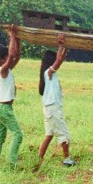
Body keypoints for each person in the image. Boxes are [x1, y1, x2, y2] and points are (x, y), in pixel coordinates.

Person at [0, 27, 23, 167]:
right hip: (4, 108)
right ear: (2, 59)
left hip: (0, 107)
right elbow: (12, 53)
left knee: (0, 137)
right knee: (17, 134)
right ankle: (11, 164)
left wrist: (17, 40)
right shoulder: (3, 69)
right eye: (7, 57)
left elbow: (16, 55)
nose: (10, 57)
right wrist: (13, 35)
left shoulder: (5, 69)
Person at [37, 35, 75, 166]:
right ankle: (67, 159)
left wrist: (65, 47)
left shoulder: (47, 74)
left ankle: (39, 159)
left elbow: (60, 59)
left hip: (48, 108)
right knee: (65, 134)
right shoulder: (49, 72)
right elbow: (58, 61)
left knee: (49, 135)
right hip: (53, 108)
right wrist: (60, 44)